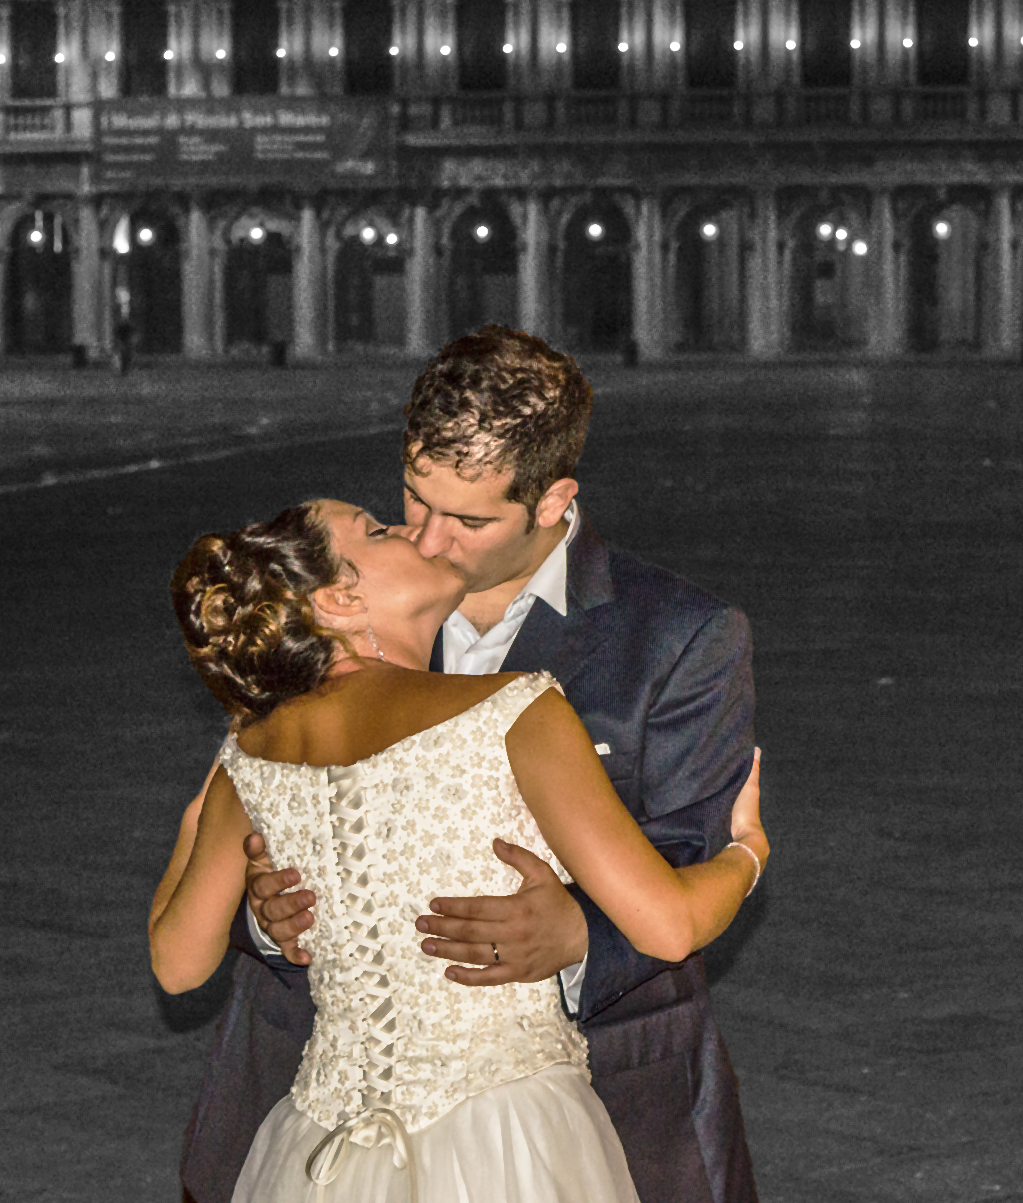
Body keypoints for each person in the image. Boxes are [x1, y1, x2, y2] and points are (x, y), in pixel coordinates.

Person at [180, 326, 762, 1203]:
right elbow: (251, 812)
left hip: (588, 1107)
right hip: (319, 1108)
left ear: (554, 498)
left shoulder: (679, 636)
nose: (431, 540)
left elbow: (684, 852)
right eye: (412, 500)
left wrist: (579, 938)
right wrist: (268, 914)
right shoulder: (324, 614)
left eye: (471, 519)